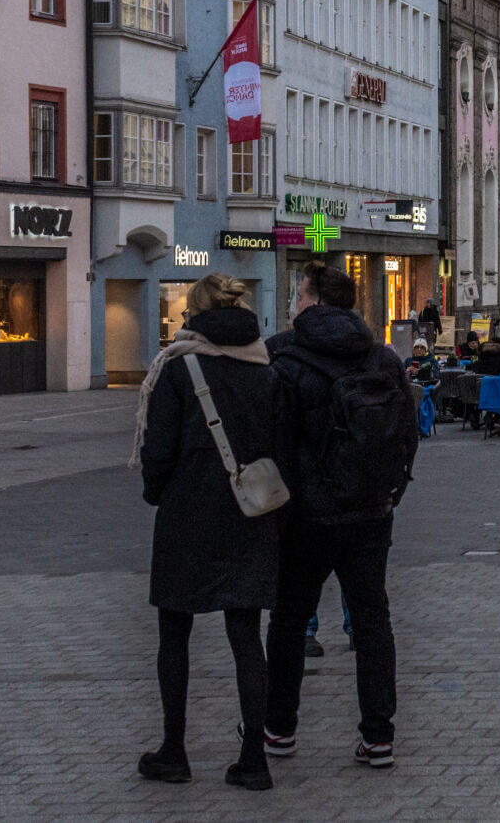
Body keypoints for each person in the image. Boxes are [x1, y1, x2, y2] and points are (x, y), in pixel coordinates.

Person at [263, 266, 416, 773]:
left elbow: (274, 442)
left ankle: (279, 728)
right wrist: (391, 490)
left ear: (312, 301)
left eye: (297, 292)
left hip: (307, 516)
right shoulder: (381, 357)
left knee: (288, 622)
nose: (293, 300)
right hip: (371, 510)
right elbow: (408, 433)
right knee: (373, 621)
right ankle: (379, 737)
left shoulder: (283, 356)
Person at [135, 274, 281, 789]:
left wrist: (159, 494)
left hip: (188, 513)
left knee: (175, 633)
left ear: (193, 315)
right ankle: (253, 759)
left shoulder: (178, 369)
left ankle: (174, 750)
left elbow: (157, 451)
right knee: (246, 637)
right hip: (250, 513)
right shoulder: (266, 368)